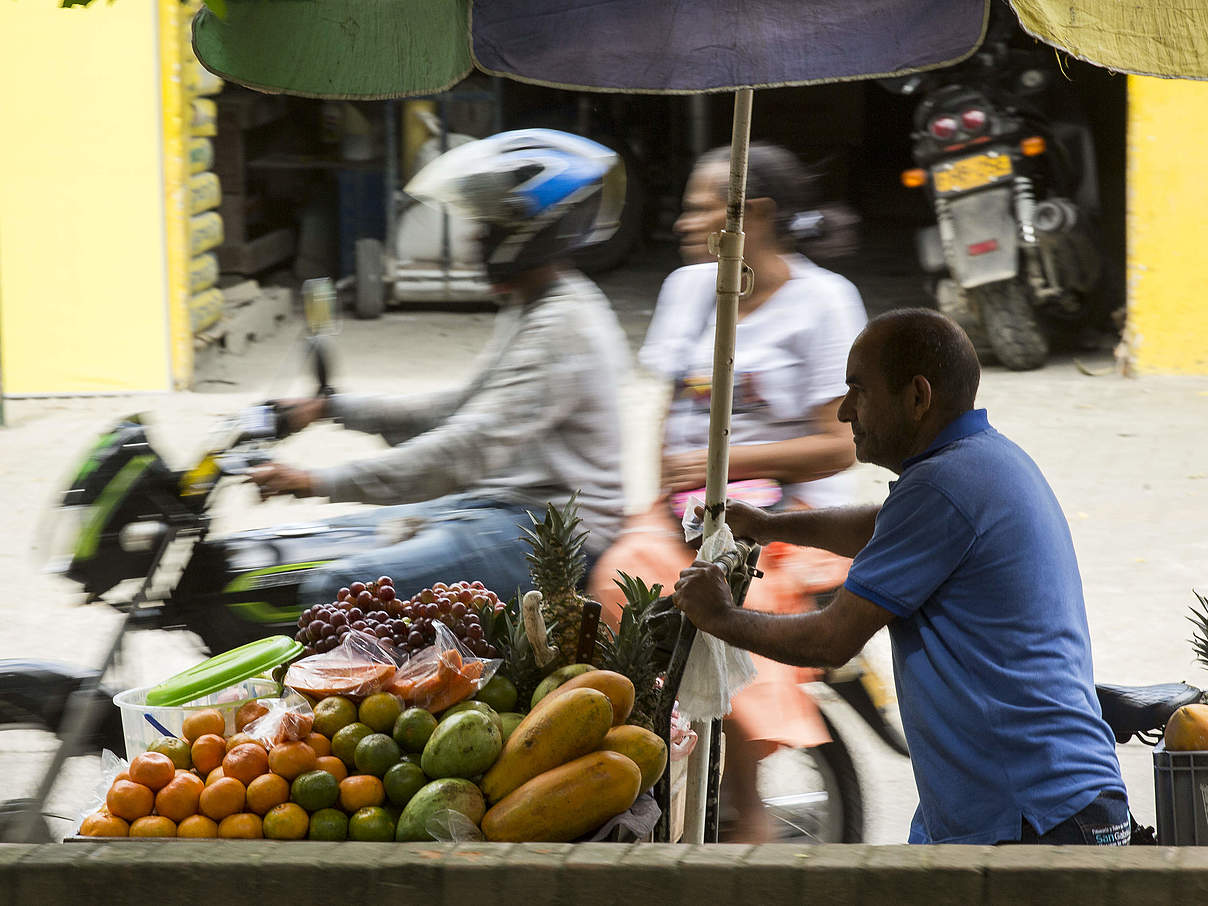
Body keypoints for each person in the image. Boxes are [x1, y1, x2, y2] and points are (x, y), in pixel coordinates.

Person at [673, 308, 1128, 845]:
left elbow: (831, 638)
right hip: (1003, 806)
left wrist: (721, 616)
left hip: (1033, 814)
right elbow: (879, 526)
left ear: (917, 396)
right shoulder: (977, 462)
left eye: (858, 390)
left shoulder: (944, 487)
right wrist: (770, 525)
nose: (844, 412)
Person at [585, 142, 867, 842]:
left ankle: (749, 811)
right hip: (684, 515)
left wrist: (725, 461)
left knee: (727, 614)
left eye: (701, 207)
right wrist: (655, 500)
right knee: (610, 586)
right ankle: (645, 781)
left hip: (787, 521)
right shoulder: (688, 289)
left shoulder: (825, 302)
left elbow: (842, 443)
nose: (684, 222)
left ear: (757, 217)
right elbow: (665, 410)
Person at [248, 130, 629, 606]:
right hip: (499, 509)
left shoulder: (564, 325)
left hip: (554, 535)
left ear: (531, 228)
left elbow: (464, 450)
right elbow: (458, 407)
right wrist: (329, 409)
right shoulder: (535, 306)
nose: (472, 237)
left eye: (486, 224)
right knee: (307, 550)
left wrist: (318, 480)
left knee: (338, 588)